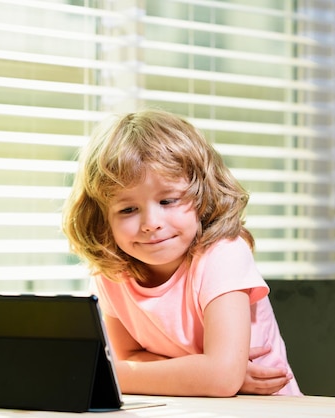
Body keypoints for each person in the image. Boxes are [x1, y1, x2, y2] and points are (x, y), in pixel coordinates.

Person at [62, 109, 301, 397]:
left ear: (203, 196)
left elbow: (220, 378)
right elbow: (126, 360)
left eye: (168, 200)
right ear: (103, 219)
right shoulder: (112, 272)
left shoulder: (223, 254)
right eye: (127, 209)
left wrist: (113, 374)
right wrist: (205, 374)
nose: (151, 224)